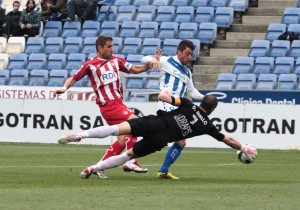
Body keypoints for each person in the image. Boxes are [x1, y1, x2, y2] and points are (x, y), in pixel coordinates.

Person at [58, 90, 255, 179]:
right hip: (160, 139)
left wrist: (166, 91)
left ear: (202, 102)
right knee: (128, 156)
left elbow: (162, 97)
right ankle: (94, 168)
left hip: (155, 122)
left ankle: (80, 135)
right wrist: (244, 147)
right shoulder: (207, 125)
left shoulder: (187, 103)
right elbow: (227, 139)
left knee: (118, 129)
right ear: (212, 109)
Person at [54, 35, 159, 179]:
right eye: (109, 46)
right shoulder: (90, 65)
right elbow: (74, 77)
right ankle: (131, 161)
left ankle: (99, 167)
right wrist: (64, 88)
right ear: (100, 48)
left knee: (123, 139)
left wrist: (149, 65)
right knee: (136, 123)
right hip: (108, 105)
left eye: (112, 46)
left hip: (118, 104)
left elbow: (134, 69)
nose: (112, 49)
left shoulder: (117, 61)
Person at [140, 40, 204, 179]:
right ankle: (162, 169)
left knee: (169, 139)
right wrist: (153, 59)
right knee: (180, 141)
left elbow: (192, 92)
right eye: (187, 53)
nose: (189, 57)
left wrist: (205, 98)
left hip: (178, 108)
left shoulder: (187, 72)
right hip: (166, 104)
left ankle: (160, 169)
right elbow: (143, 59)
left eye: (191, 55)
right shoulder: (167, 61)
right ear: (179, 52)